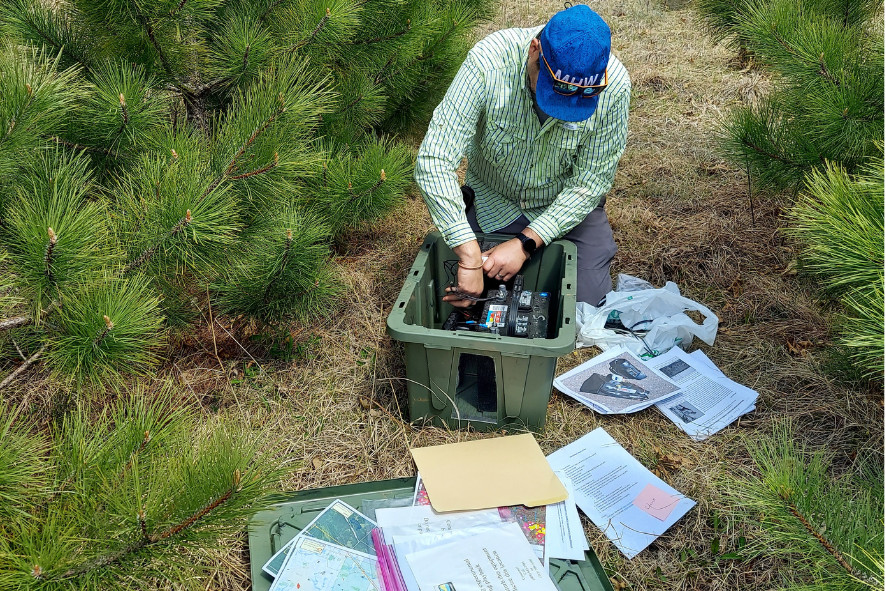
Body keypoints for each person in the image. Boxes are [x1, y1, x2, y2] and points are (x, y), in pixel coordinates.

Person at [414, 4, 630, 307]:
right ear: (534, 50)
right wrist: (469, 255)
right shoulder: (488, 63)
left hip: (565, 207)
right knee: (461, 292)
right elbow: (434, 160)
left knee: (585, 306)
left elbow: (590, 183)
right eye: (554, 92)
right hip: (495, 200)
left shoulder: (615, 86)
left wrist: (527, 242)